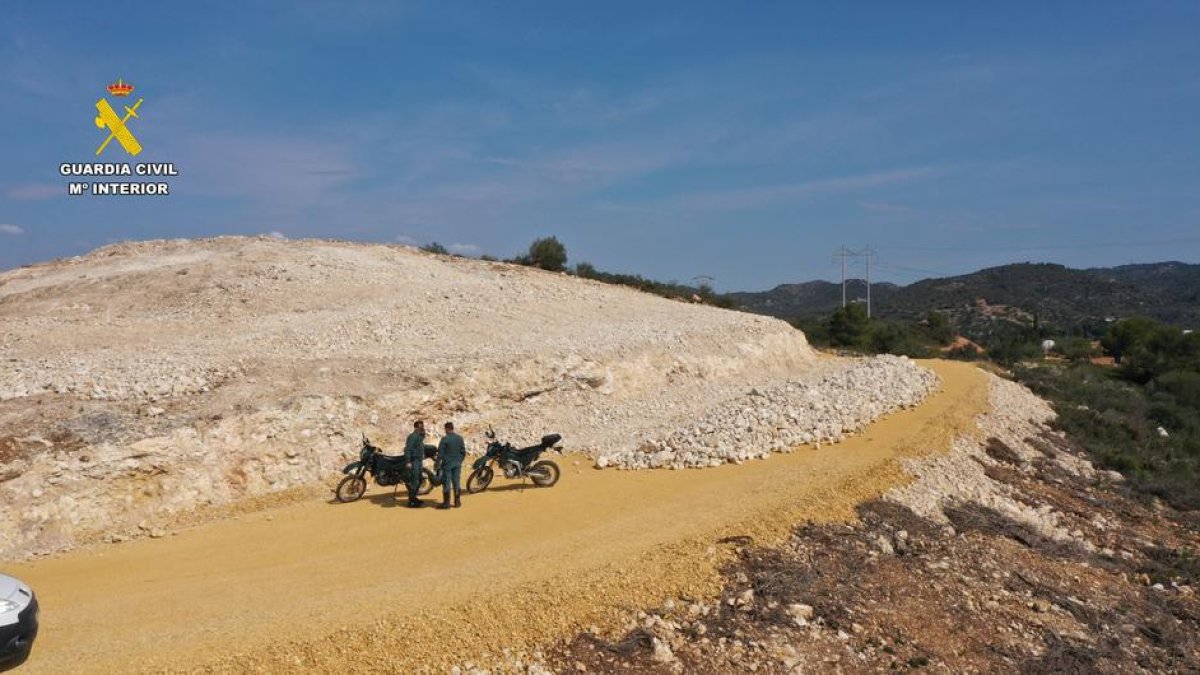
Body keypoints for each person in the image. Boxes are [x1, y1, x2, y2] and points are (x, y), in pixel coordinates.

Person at [436, 421, 467, 509]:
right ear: (452, 428)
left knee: (446, 482)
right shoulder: (459, 438)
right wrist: (460, 460)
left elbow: (440, 453)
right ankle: (457, 502)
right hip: (457, 463)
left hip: (447, 464)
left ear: (446, 429)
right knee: (456, 481)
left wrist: (437, 463)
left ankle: (446, 504)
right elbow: (463, 452)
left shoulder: (445, 439)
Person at [403, 420, 427, 508]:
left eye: (422, 427)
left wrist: (423, 433)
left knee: (420, 479)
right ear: (416, 427)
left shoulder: (419, 436)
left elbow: (422, 438)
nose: (422, 428)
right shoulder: (412, 436)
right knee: (415, 481)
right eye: (420, 427)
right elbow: (407, 449)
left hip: (419, 461)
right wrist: (408, 461)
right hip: (414, 461)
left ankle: (414, 498)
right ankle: (411, 501)